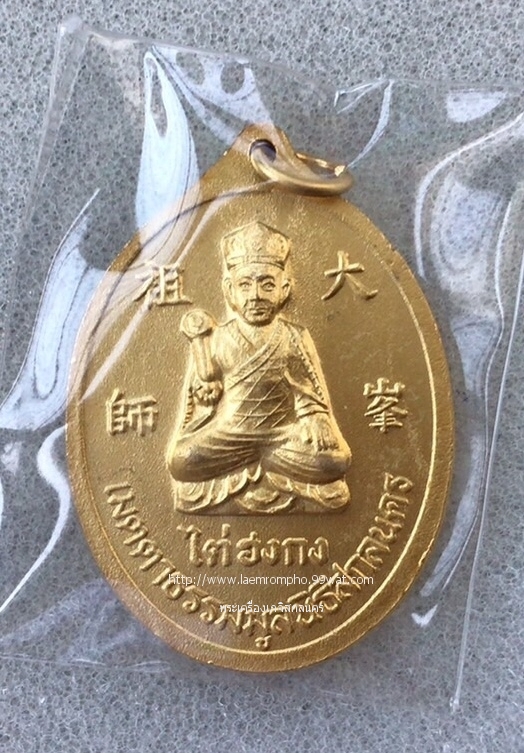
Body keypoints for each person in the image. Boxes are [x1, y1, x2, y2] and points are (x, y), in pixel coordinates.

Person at [167, 221, 351, 513]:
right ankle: (263, 465)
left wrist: (315, 418)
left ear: (284, 289)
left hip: (282, 435)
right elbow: (202, 396)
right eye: (245, 285)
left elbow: (308, 392)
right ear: (229, 290)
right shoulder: (216, 338)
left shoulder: (293, 336)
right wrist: (205, 392)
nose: (255, 295)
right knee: (182, 459)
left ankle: (258, 464)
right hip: (231, 435)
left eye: (267, 285)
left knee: (335, 461)